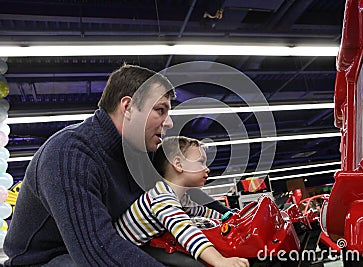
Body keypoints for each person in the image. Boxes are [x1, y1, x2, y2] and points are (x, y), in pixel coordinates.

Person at [3, 64, 228, 266]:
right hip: (50, 259)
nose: (169, 122)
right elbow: (97, 252)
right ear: (128, 107)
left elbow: (180, 194)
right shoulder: (69, 154)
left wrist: (233, 215)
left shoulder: (141, 154)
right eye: (160, 110)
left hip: (103, 245)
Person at [115, 136, 249, 267]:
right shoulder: (161, 197)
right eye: (200, 162)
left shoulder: (181, 198)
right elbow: (186, 231)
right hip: (118, 256)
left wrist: (235, 219)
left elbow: (204, 212)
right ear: (178, 164)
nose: (207, 168)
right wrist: (220, 261)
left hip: (141, 249)